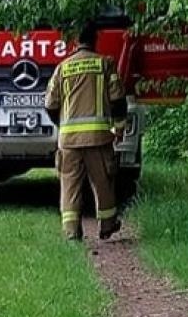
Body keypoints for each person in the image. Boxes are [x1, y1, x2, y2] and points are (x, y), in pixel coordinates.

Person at [44, 19, 129, 241]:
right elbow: (118, 99)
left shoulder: (63, 68)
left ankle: (71, 231)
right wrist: (119, 128)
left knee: (69, 185)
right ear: (95, 39)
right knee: (103, 183)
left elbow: (50, 105)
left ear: (76, 41)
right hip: (98, 138)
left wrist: (63, 126)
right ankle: (107, 225)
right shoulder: (104, 64)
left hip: (69, 141)